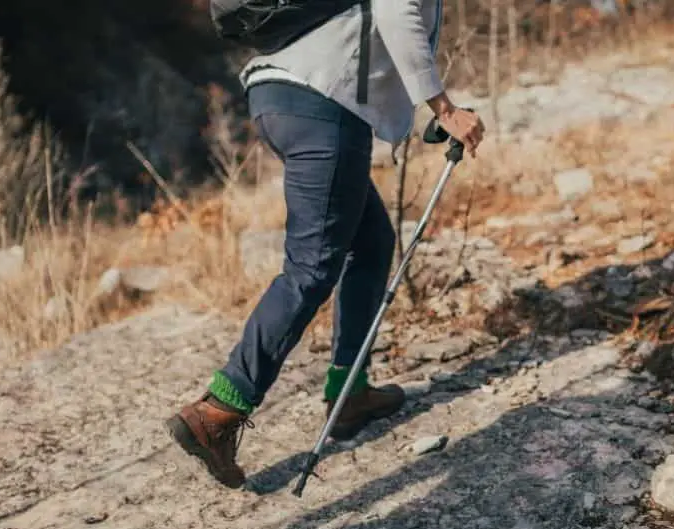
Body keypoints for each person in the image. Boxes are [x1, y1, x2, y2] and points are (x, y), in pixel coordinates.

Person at [166, 0, 486, 489]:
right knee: (312, 268)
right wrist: (443, 106)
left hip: (287, 95)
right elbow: (396, 10)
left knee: (372, 242)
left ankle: (349, 392)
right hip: (323, 103)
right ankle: (218, 410)